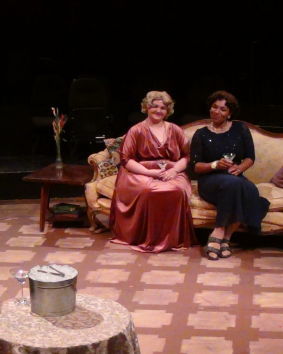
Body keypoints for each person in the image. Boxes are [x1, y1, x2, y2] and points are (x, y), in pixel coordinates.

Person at [109, 91, 197, 252]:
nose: (158, 110)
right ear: (146, 107)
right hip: (138, 171)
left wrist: (174, 170)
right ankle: (146, 238)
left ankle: (171, 239)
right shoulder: (136, 130)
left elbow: (187, 155)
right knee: (149, 190)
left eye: (163, 108)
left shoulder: (175, 130)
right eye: (154, 106)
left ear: (168, 111)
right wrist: (150, 173)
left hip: (171, 170)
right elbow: (126, 160)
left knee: (177, 190)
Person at [190, 90, 270, 260]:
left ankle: (225, 236)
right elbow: (196, 166)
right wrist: (215, 165)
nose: (217, 111)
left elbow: (250, 157)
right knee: (235, 186)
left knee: (249, 189)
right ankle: (219, 231)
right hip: (210, 179)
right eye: (214, 107)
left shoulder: (241, 129)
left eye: (223, 109)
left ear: (230, 113)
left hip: (234, 176)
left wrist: (239, 168)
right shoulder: (200, 134)